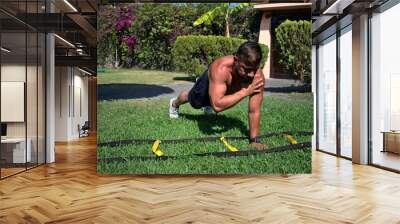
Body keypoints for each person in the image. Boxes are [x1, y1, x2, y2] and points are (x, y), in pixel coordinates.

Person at [169, 41, 267, 150]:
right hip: (213, 81)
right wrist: (245, 92)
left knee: (212, 101)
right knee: (195, 102)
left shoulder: (257, 77)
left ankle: (211, 96)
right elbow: (217, 106)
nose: (251, 74)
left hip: (226, 89)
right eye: (246, 69)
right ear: (236, 60)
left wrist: (254, 140)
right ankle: (174, 103)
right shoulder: (221, 68)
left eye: (254, 69)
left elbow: (254, 110)